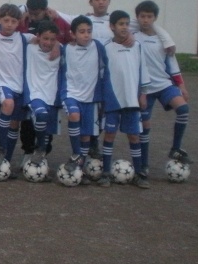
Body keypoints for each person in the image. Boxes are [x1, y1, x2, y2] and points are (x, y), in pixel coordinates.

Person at [134, 0, 192, 173]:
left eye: (149, 16)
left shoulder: (163, 40)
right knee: (145, 127)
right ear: (137, 17)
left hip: (164, 84)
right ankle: (144, 165)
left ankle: (175, 148)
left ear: (155, 18)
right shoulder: (134, 38)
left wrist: (181, 85)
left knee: (183, 109)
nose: (145, 20)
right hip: (145, 89)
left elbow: (172, 64)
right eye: (142, 16)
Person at [98, 10, 151, 189]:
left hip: (132, 99)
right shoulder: (106, 48)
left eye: (127, 24)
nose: (124, 27)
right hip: (113, 100)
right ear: (112, 26)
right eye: (120, 24)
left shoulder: (136, 47)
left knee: (134, 136)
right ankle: (106, 172)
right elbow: (101, 74)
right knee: (110, 134)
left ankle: (138, 173)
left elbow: (142, 70)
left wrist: (143, 93)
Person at [0, 4, 38, 177]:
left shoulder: (24, 38)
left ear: (19, 22)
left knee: (14, 124)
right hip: (1, 85)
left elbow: (48, 40)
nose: (9, 24)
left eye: (13, 21)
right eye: (6, 20)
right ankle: (0, 147)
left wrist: (54, 48)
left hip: (19, 87)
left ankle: (5, 160)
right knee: (7, 104)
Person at [18, 0, 71, 163]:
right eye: (30, 13)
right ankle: (28, 151)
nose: (33, 17)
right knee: (27, 123)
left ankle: (43, 154)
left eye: (36, 14)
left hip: (50, 86)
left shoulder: (58, 22)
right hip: (31, 84)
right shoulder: (23, 22)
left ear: (45, 10)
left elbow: (70, 39)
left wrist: (57, 44)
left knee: (48, 121)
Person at [61, 16, 106, 177]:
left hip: (91, 98)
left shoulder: (98, 47)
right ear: (72, 34)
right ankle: (76, 154)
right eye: (81, 32)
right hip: (71, 93)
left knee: (86, 134)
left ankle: (80, 165)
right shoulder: (66, 49)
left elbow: (106, 67)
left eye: (89, 31)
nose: (86, 35)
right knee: (74, 115)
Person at [23, 20, 63, 176]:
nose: (49, 42)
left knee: (48, 131)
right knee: (40, 116)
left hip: (52, 97)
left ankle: (41, 158)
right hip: (35, 94)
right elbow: (13, 35)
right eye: (45, 38)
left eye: (52, 39)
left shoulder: (61, 51)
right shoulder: (29, 48)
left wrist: (58, 45)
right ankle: (38, 149)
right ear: (38, 36)